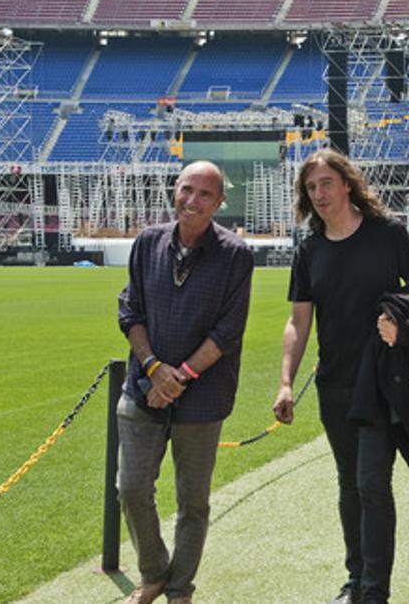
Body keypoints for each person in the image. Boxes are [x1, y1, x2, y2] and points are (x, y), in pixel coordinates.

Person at [274, 148, 409, 604]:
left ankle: (374, 591)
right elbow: (298, 322)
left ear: (347, 184)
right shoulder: (310, 250)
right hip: (334, 385)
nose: (319, 194)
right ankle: (355, 580)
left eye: (326, 183)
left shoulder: (388, 234)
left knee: (371, 484)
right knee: (348, 486)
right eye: (311, 187)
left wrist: (400, 321)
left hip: (382, 382)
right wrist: (286, 381)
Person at [115, 161, 254, 604]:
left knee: (193, 503)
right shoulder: (147, 243)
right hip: (143, 389)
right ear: (174, 191)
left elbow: (227, 331)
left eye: (204, 194)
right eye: (185, 189)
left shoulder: (234, 255)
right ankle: (154, 572)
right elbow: (130, 311)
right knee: (131, 488)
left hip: (203, 398)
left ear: (220, 203)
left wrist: (181, 377)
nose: (192, 201)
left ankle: (179, 589)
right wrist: (155, 369)